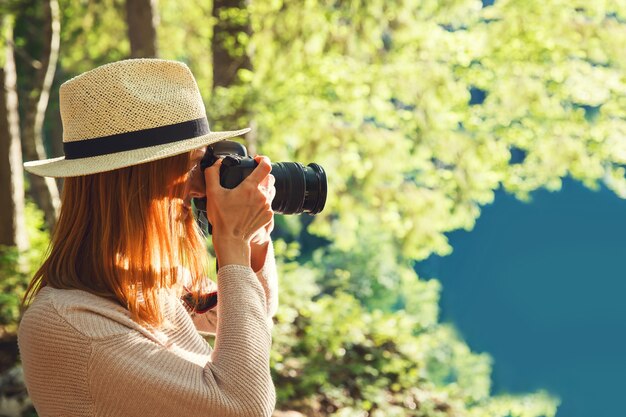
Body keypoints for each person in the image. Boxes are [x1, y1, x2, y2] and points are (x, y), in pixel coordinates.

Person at [17, 59, 278, 417]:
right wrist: (231, 239)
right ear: (138, 185)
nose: (201, 189)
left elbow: (242, 318)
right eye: (192, 167)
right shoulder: (70, 323)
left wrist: (253, 239)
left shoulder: (133, 278)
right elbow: (243, 406)